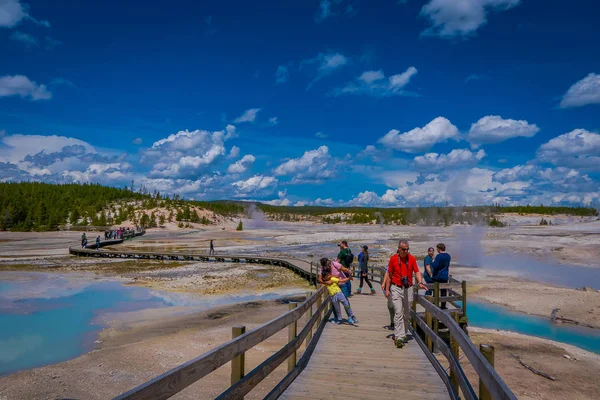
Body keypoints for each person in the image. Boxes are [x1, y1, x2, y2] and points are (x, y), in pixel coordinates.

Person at [385, 239, 427, 348]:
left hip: (408, 288)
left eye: (407, 249)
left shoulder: (412, 258)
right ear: (399, 249)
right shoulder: (393, 259)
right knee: (398, 312)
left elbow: (417, 271)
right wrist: (387, 289)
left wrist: (420, 282)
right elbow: (389, 274)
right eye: (404, 249)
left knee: (407, 314)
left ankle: (403, 333)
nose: (406, 251)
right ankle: (398, 337)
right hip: (396, 287)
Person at [431, 243, 451, 309]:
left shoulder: (439, 256)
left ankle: (435, 305)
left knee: (435, 292)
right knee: (443, 292)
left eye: (437, 248)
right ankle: (443, 306)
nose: (436, 250)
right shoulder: (448, 256)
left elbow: (435, 266)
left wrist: (433, 261)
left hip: (437, 276)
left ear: (439, 249)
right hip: (445, 276)